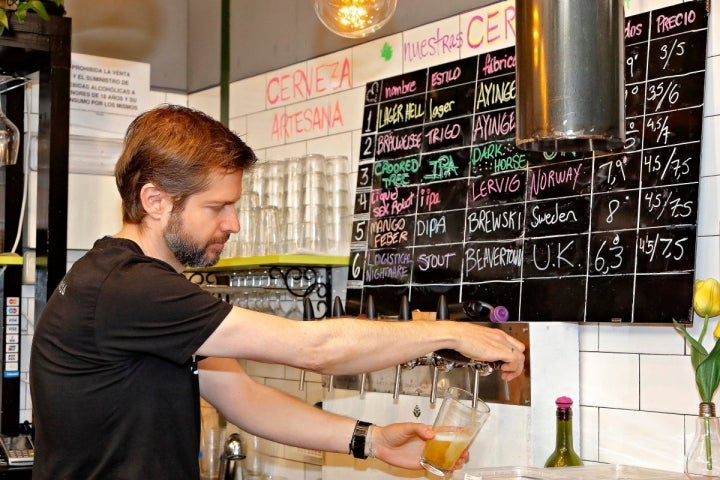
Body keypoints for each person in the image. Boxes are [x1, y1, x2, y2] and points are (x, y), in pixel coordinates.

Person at [29, 104, 526, 479]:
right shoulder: (129, 287)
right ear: (155, 201)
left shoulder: (127, 283)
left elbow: (241, 397)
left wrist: (370, 440)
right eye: (216, 207)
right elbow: (315, 349)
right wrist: (449, 333)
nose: (234, 223)